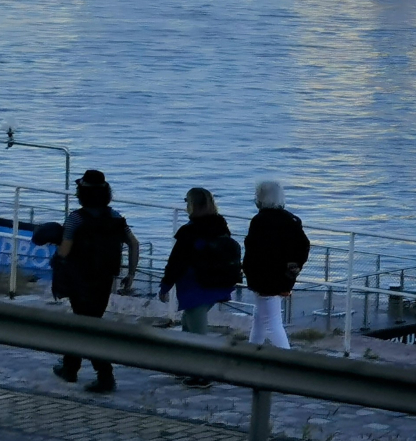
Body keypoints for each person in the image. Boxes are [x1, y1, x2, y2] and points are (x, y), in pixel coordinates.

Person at [52, 169, 139, 394]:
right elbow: (134, 244)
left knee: (86, 326)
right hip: (104, 279)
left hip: (78, 279)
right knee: (87, 323)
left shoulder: (75, 218)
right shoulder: (115, 217)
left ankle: (104, 376)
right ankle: (70, 367)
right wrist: (130, 273)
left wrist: (56, 256)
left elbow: (65, 250)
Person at [158, 187, 240, 387]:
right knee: (188, 324)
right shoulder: (220, 225)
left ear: (192, 205)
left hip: (196, 285)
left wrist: (165, 286)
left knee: (197, 332)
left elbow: (176, 261)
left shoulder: (189, 231)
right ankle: (187, 366)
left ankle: (203, 374)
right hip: (217, 283)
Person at [242, 180, 310, 350]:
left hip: (264, 278)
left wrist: (247, 272)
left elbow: (253, 252)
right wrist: (291, 273)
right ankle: (251, 351)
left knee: (272, 323)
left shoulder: (259, 221)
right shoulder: (292, 220)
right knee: (260, 317)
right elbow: (302, 248)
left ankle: (287, 362)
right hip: (284, 277)